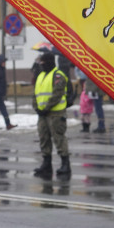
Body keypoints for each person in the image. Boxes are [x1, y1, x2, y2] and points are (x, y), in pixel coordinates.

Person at [32, 50, 71, 179]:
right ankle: (46, 163)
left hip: (56, 113)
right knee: (44, 138)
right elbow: (35, 94)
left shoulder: (58, 75)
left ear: (49, 62)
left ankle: (65, 163)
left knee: (58, 138)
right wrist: (36, 108)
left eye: (43, 62)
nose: (41, 65)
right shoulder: (41, 76)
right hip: (42, 114)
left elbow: (57, 93)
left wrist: (46, 108)